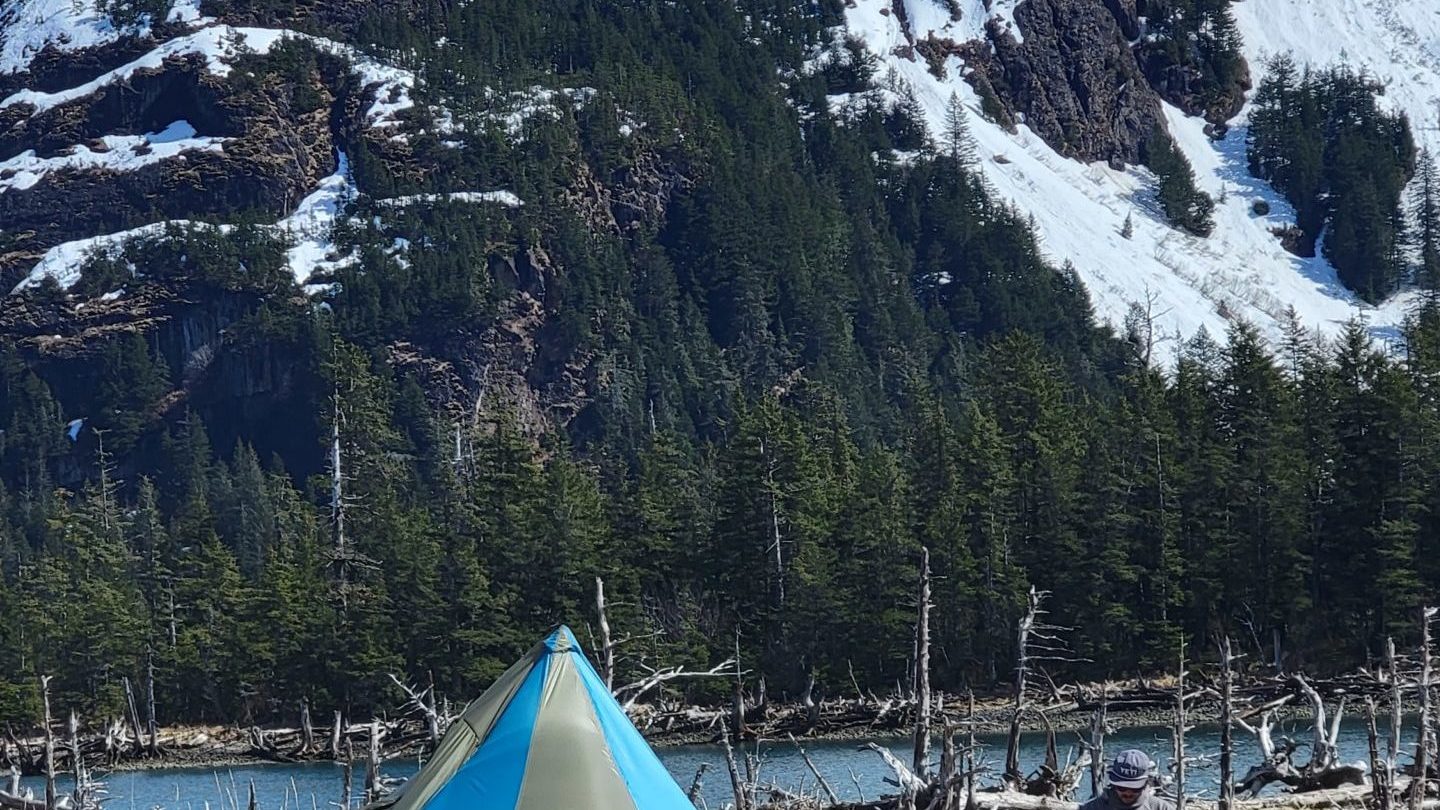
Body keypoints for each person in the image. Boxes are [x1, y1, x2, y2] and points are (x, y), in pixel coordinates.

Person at [1080, 750, 1175, 810]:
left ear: (1146, 783)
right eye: (1122, 787)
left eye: (1135, 788)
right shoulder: (1091, 808)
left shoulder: (1162, 808)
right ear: (1113, 784)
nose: (1128, 793)